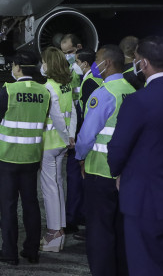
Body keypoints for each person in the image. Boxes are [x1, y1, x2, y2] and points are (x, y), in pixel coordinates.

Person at [107, 36, 163, 276]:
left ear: (144, 63)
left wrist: (118, 172)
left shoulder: (139, 101)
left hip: (145, 200)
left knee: (145, 267)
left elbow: (118, 148)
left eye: (137, 60)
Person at [75, 44, 134, 276]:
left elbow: (86, 136)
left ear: (107, 63)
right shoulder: (131, 90)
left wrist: (80, 158)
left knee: (99, 231)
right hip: (125, 173)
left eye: (97, 59)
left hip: (100, 171)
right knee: (121, 230)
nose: (94, 64)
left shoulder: (103, 93)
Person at [0, 50, 50, 265]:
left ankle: (9, 252)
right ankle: (32, 251)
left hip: (8, 157)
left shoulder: (9, 90)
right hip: (31, 156)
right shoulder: (44, 92)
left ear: (17, 68)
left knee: (8, 206)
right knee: (31, 204)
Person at [39, 46, 75, 252]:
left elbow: (57, 117)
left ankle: (53, 233)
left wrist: (65, 136)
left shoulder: (48, 87)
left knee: (49, 188)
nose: (42, 65)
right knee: (59, 185)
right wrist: (71, 136)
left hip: (50, 143)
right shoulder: (66, 86)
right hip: (62, 144)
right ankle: (59, 229)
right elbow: (72, 113)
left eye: (44, 62)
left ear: (49, 65)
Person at [65, 47, 101, 236]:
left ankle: (73, 218)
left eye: (77, 62)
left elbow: (87, 115)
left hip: (84, 138)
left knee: (76, 178)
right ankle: (80, 215)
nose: (75, 65)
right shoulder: (95, 79)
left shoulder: (89, 82)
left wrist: (79, 142)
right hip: (92, 139)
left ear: (85, 64)